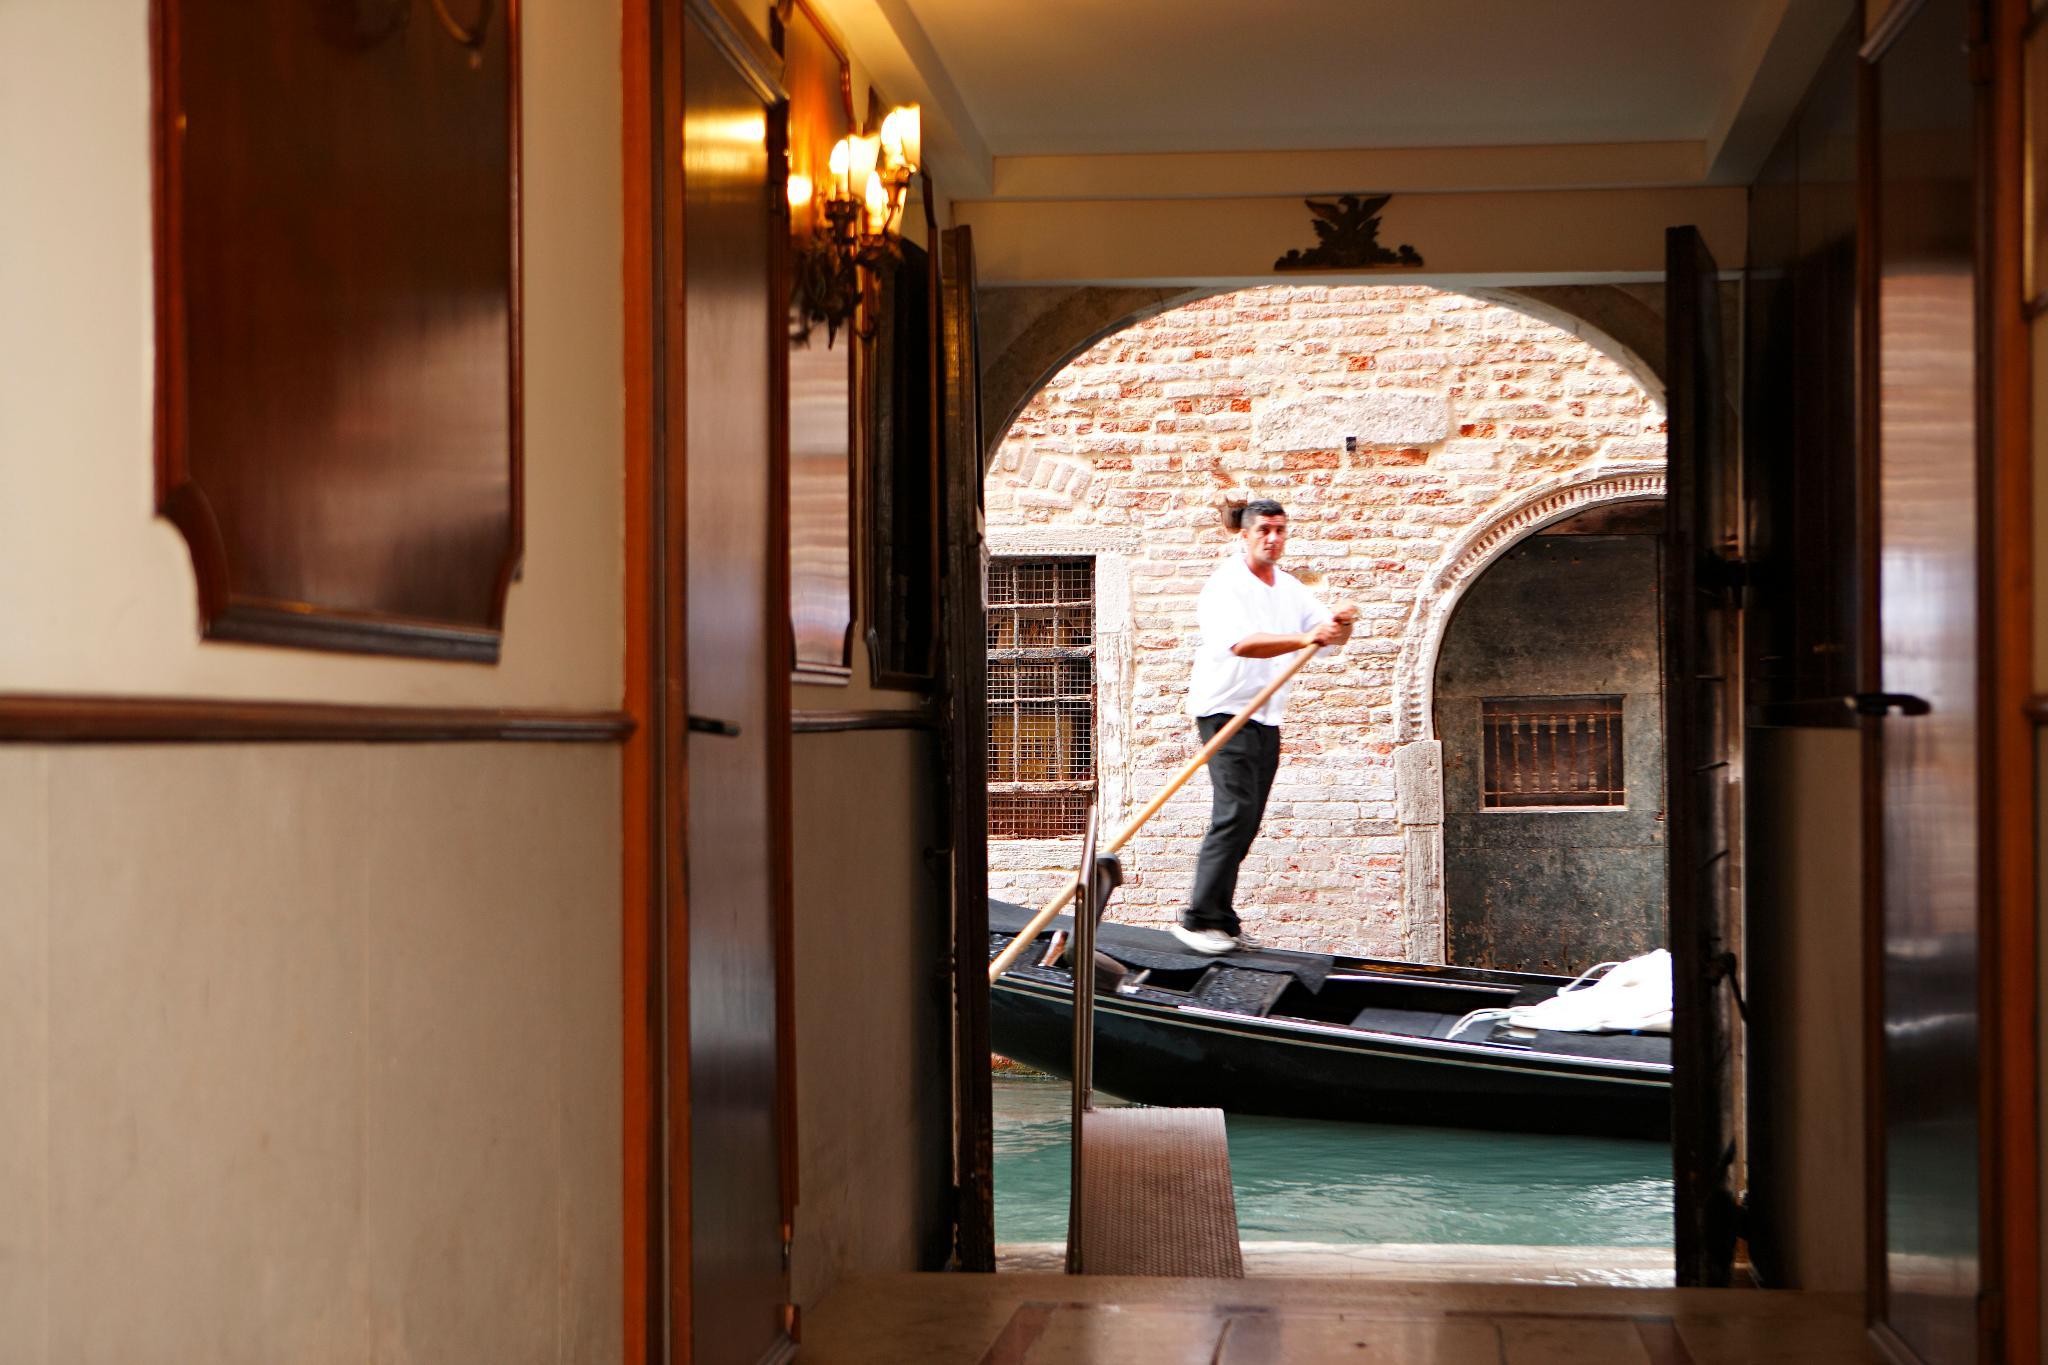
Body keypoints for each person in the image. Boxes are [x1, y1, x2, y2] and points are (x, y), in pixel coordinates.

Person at [1173, 498, 1356, 955]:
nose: (1273, 539)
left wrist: (1341, 624)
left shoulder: (1289, 588)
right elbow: (1241, 644)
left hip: (1266, 715)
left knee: (1248, 820)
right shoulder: (1226, 585)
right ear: (1246, 535)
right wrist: (1306, 636)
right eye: (1264, 531)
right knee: (1233, 813)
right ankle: (1198, 919)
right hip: (1225, 711)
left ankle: (1221, 920)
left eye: (1280, 530)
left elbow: (1326, 639)